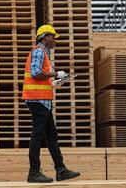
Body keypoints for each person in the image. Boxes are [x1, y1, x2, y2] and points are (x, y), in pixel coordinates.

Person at [22, 24, 80, 183]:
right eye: (53, 37)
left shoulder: (44, 54)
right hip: (38, 100)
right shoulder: (39, 52)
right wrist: (56, 73)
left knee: (51, 136)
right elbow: (35, 74)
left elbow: (42, 77)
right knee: (38, 135)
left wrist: (55, 82)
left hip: (43, 101)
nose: (54, 40)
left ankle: (61, 170)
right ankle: (34, 172)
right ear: (45, 37)